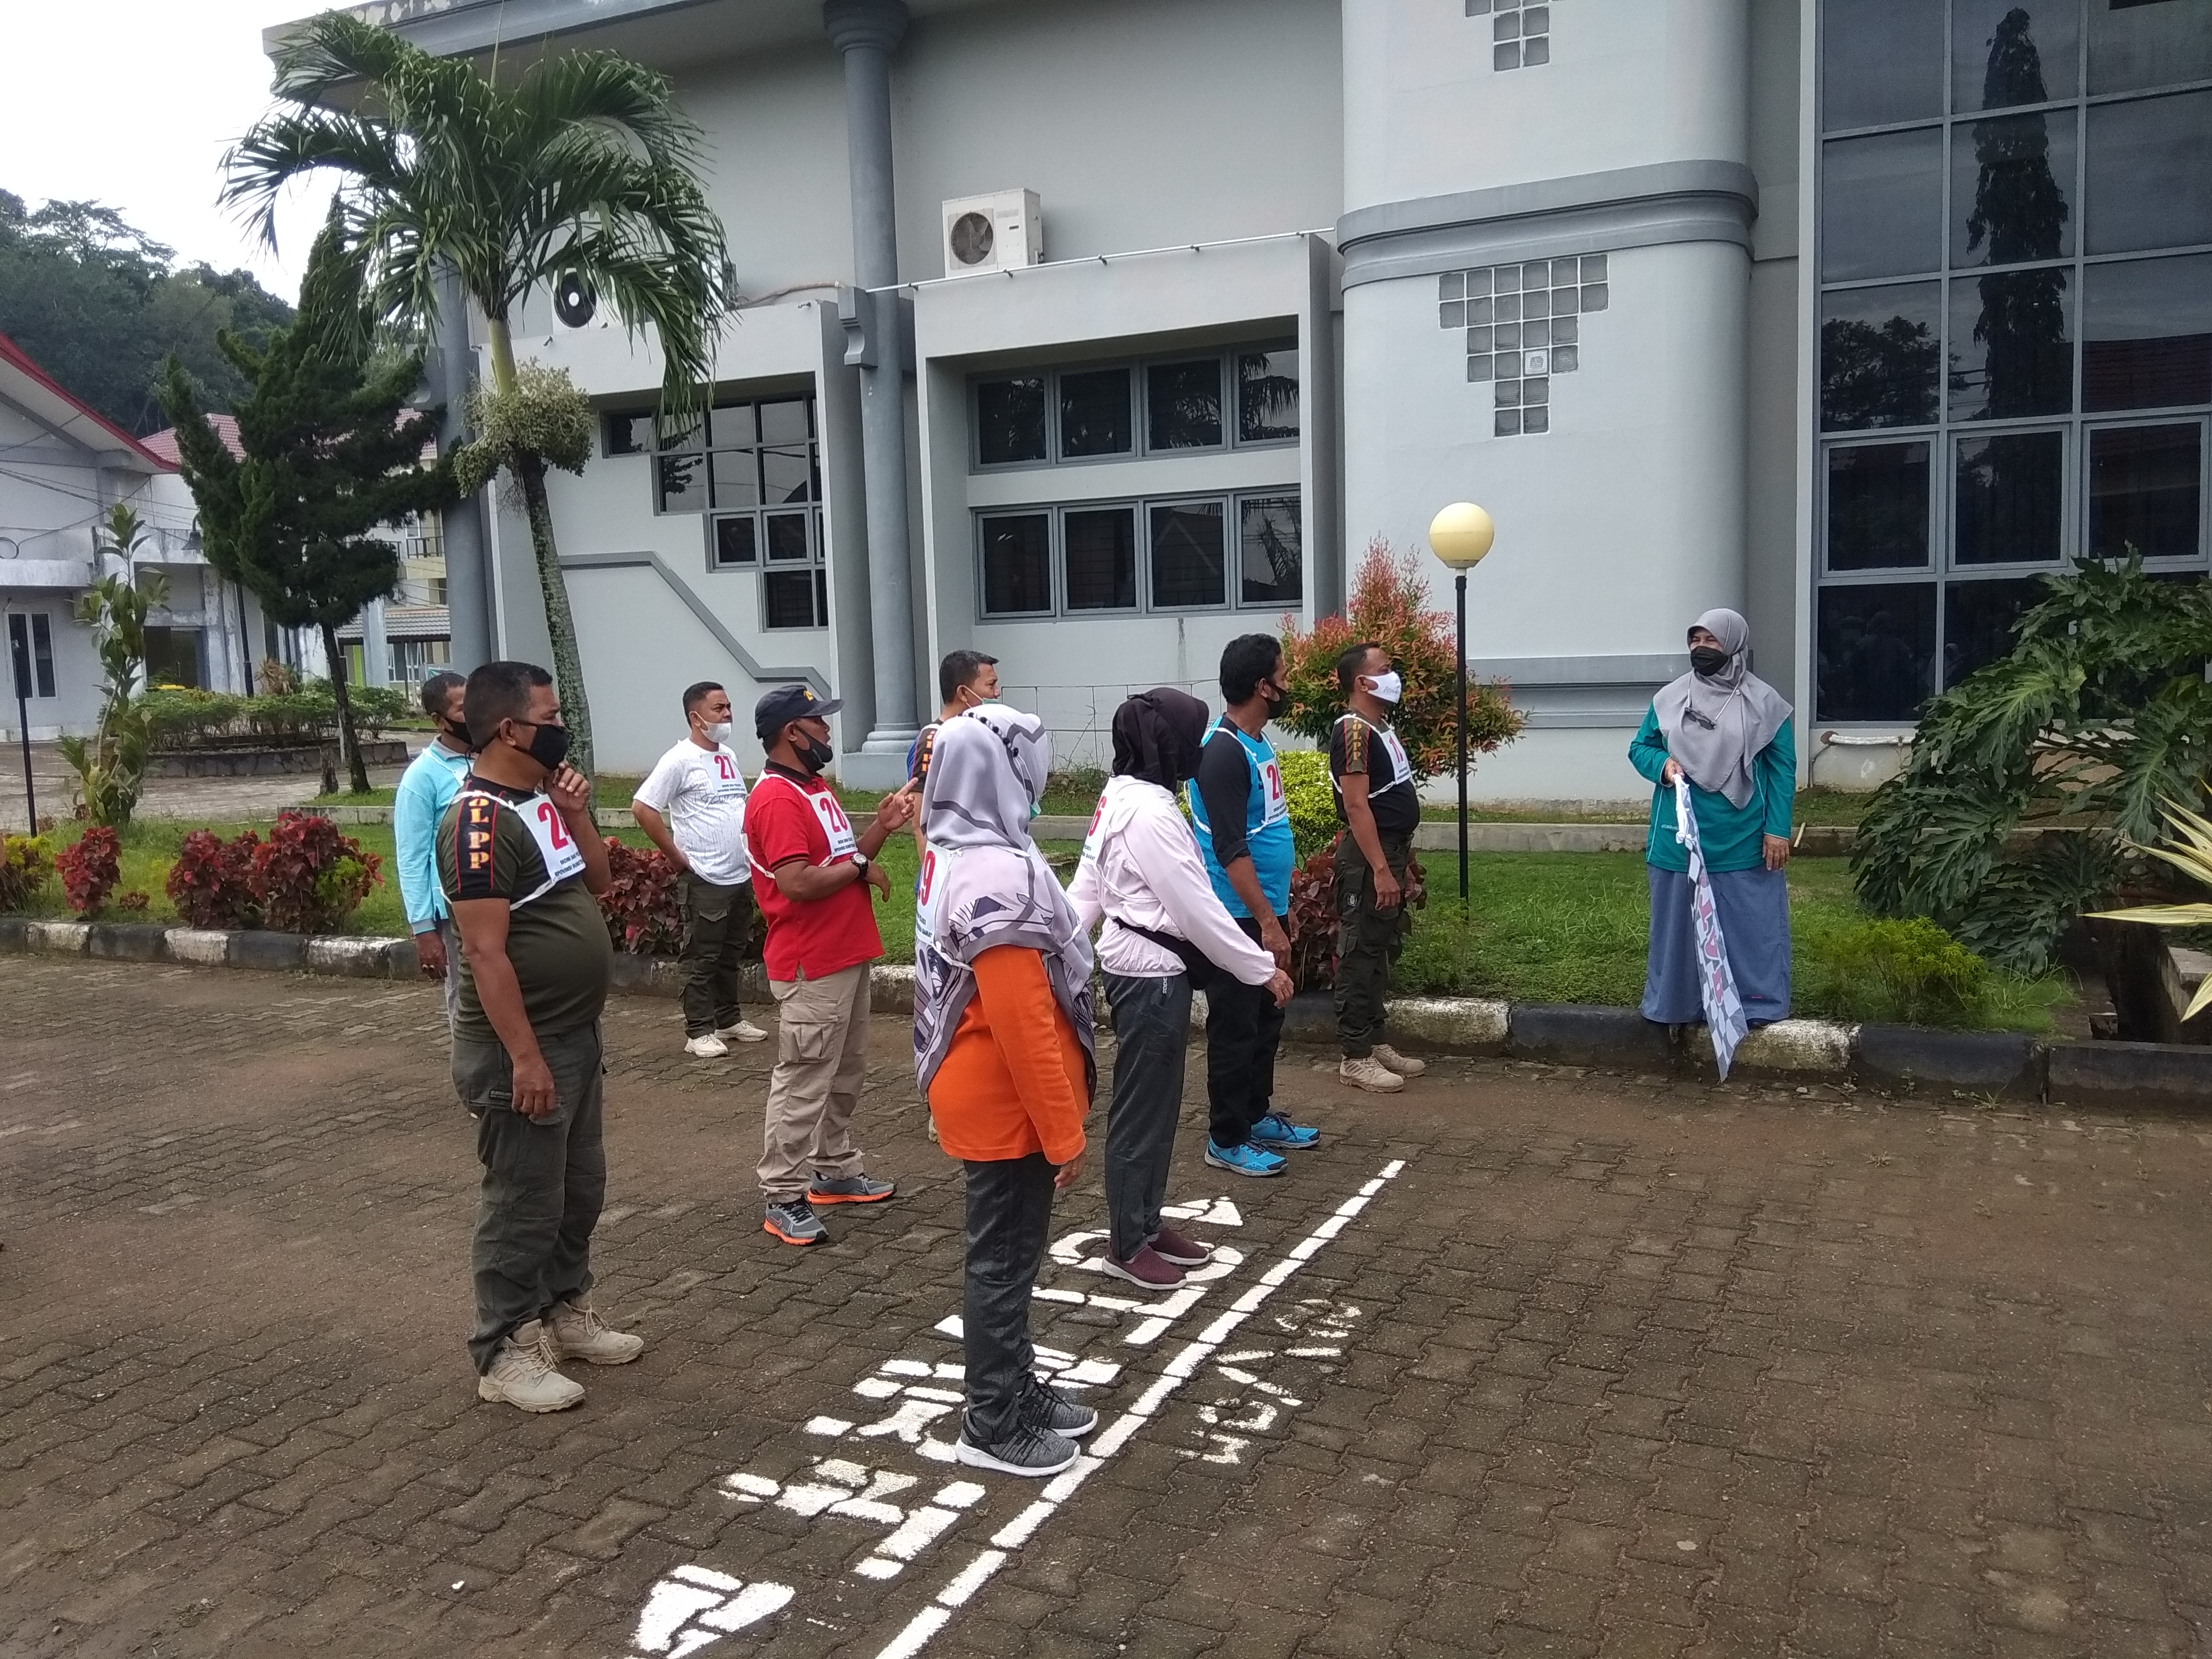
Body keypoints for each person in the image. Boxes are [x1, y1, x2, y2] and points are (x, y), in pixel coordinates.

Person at [438, 660, 641, 1414]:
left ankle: (563, 1310)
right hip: (520, 1049)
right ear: (509, 730)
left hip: (574, 1035)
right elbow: (485, 955)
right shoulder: (476, 823)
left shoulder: (536, 802)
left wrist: (579, 811)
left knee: (577, 1188)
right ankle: (502, 1351)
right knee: (523, 1199)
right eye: (550, 718)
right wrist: (523, 1057)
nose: (562, 729)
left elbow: (601, 884)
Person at [911, 707, 1099, 1475]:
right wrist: (1065, 1131)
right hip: (1006, 1100)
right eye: (1029, 759)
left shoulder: (958, 845)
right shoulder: (995, 870)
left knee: (1009, 1258)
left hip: (981, 1087)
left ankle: (1015, 1388)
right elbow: (1022, 1018)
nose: (1039, 772)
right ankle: (992, 1420)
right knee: (1003, 1263)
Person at [1070, 688, 1293, 1287]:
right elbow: (1196, 910)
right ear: (1169, 747)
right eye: (1191, 738)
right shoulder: (1149, 814)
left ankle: (1144, 1222)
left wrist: (1064, 944)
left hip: (1148, 970)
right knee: (1141, 1111)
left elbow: (1086, 886)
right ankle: (1125, 1242)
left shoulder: (1121, 794)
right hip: (1147, 976)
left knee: (1159, 1107)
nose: (1199, 749)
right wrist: (1258, 967)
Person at [743, 683, 916, 1246]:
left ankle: (833, 1168)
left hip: (844, 952)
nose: (827, 731)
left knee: (843, 1072)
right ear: (792, 732)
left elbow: (841, 858)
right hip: (810, 962)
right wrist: (862, 862)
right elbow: (796, 882)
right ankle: (783, 1194)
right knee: (803, 1080)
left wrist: (880, 829)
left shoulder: (813, 787)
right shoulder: (775, 799)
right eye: (818, 723)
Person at [1189, 635, 1320, 1172]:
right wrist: (1267, 922)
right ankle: (1225, 1136)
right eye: (1283, 675)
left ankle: (1254, 1112)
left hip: (1265, 911)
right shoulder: (1221, 752)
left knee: (1267, 1018)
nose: (1289, 684)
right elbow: (1229, 847)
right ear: (1261, 686)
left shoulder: (1257, 742)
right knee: (1236, 1025)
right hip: (1236, 917)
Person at [1631, 609, 1796, 1026]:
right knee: (1678, 927)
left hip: (1742, 834)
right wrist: (1664, 765)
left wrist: (1777, 830)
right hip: (1678, 833)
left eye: (1711, 641)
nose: (1700, 649)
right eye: (1695, 641)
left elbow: (1782, 770)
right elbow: (1640, 748)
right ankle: (1677, 1007)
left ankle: (1754, 1006)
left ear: (1734, 644)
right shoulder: (1669, 699)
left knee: (1750, 925)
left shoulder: (1766, 704)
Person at [632, 681, 766, 1058]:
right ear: (696, 717)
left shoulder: (727, 755)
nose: (727, 715)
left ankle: (728, 1019)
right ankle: (698, 1030)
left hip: (738, 874)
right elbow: (643, 807)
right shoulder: (679, 760)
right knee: (702, 955)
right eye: (718, 709)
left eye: (728, 708)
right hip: (705, 877)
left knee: (731, 951)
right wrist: (674, 854)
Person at [1327, 641, 1429, 1094]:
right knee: (1359, 952)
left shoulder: (1379, 727)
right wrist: (1382, 871)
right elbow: (1356, 807)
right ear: (1362, 682)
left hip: (1389, 851)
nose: (1394, 676)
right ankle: (1354, 1055)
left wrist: (1397, 864)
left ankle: (1375, 1039)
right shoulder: (1352, 732)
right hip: (1370, 857)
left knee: (1378, 949)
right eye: (1385, 669)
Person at [395, 669, 472, 1023]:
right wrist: (424, 931)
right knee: (468, 1000)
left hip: (500, 901)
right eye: (462, 709)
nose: (473, 715)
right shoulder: (421, 778)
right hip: (454, 912)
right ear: (439, 721)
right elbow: (411, 858)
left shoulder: (490, 759)